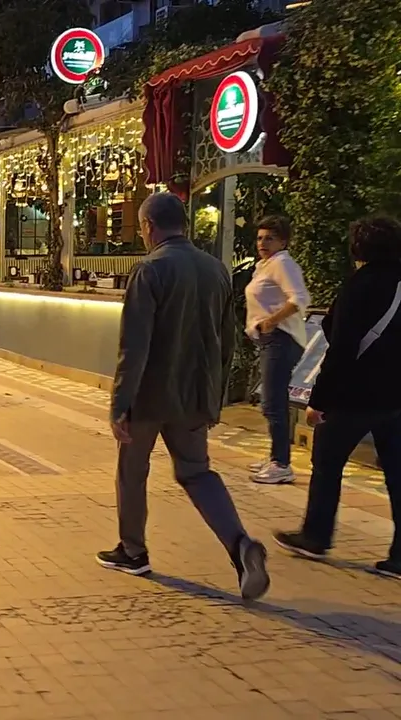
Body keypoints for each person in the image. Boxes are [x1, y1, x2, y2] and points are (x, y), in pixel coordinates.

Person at [99, 192, 270, 601]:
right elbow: (227, 341)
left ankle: (133, 551)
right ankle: (240, 545)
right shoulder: (216, 270)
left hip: (149, 395)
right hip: (195, 393)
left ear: (148, 227)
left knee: (132, 470)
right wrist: (216, 397)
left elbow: (134, 346)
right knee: (197, 472)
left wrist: (120, 403)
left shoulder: (150, 270)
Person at [275, 214, 401, 579]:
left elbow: (342, 347)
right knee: (397, 474)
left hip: (354, 395)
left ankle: (315, 536)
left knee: (327, 463)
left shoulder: (360, 286)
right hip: (395, 398)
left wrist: (319, 400)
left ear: (358, 247)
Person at [245, 215, 312, 484]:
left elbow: (300, 298)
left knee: (273, 402)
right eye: (260, 238)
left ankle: (281, 463)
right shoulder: (266, 265)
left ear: (283, 242)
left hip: (281, 339)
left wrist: (271, 321)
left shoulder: (283, 263)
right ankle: (276, 456)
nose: (262, 243)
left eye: (270, 238)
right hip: (270, 340)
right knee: (271, 401)